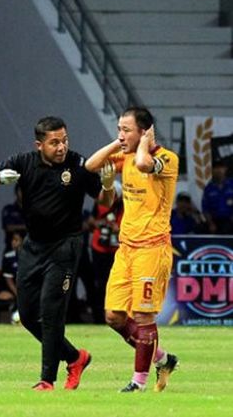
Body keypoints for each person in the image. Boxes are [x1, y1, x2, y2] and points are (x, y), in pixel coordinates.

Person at [0, 116, 100, 391]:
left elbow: (103, 199)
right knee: (28, 315)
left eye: (65, 140)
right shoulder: (24, 161)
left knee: (51, 311)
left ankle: (47, 380)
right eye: (54, 142)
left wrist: (110, 184)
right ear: (39, 144)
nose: (61, 147)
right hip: (33, 246)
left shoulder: (78, 165)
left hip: (65, 246)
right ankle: (75, 357)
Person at [85, 106, 179, 392]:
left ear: (145, 131)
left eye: (126, 129)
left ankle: (138, 382)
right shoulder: (124, 155)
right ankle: (162, 358)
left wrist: (142, 144)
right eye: (118, 129)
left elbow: (142, 164)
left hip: (152, 249)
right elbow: (90, 165)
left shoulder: (167, 159)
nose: (121, 134)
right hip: (126, 249)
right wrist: (119, 142)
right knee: (113, 316)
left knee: (143, 316)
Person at [88, 181, 123, 323]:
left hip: (117, 250)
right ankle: (99, 318)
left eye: (113, 194)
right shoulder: (100, 202)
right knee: (100, 283)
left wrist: (118, 229)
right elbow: (91, 221)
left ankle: (117, 315)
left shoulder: (125, 206)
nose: (110, 196)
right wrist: (101, 224)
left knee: (116, 284)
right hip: (99, 248)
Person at [0, 230, 23, 323]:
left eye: (17, 240)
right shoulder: (8, 257)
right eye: (13, 240)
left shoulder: (31, 257)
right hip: (11, 288)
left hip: (26, 288)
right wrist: (17, 293)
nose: (13, 242)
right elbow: (8, 280)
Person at [201, 160, 233, 235]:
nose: (219, 170)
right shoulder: (208, 188)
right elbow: (205, 209)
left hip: (230, 219)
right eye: (216, 168)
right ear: (212, 170)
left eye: (221, 167)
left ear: (225, 169)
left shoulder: (231, 184)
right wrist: (211, 224)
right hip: (214, 221)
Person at [1, 185, 26, 252]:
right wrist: (26, 227)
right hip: (12, 248)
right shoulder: (9, 209)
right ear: (16, 192)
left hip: (29, 250)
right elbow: (8, 227)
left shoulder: (33, 210)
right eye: (20, 191)